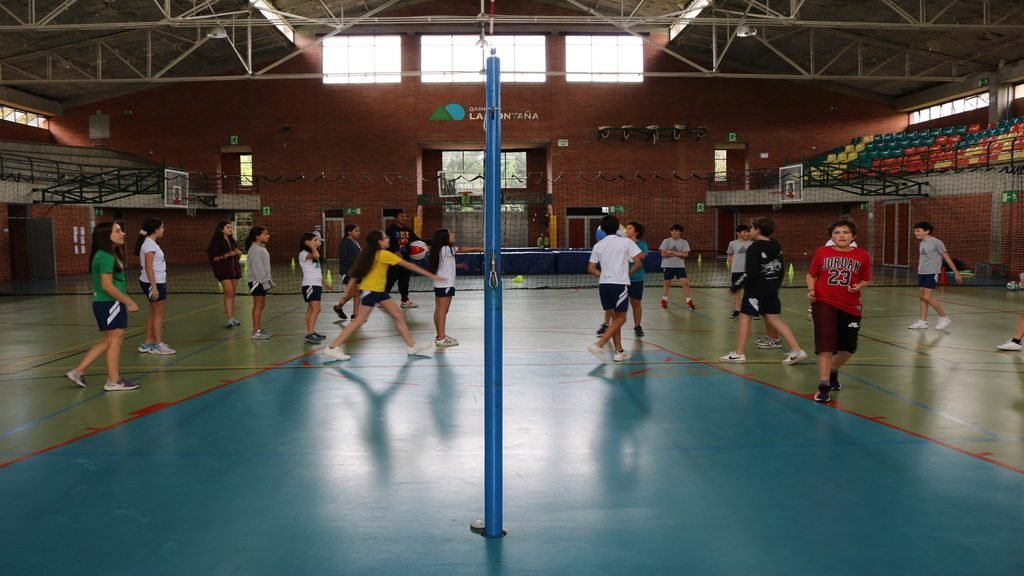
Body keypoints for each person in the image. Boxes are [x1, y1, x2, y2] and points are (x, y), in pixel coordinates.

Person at [323, 230, 442, 361]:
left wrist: (346, 291)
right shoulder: (383, 254)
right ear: (379, 241)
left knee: (398, 315)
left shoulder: (370, 254)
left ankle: (411, 346)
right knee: (359, 320)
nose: (388, 239)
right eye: (385, 237)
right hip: (371, 291)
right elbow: (408, 265)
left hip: (379, 292)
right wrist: (431, 275)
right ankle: (333, 347)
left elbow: (356, 272)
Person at [719, 217, 808, 366]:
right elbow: (781, 268)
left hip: (756, 290)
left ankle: (739, 354)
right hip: (772, 288)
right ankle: (796, 350)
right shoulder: (775, 244)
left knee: (745, 317)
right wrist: (776, 285)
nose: (750, 231)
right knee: (774, 318)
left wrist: (735, 286)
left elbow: (751, 272)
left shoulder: (754, 247)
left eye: (751, 228)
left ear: (757, 230)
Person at [65, 222, 140, 391]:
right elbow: (107, 286)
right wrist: (128, 302)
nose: (123, 233)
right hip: (109, 303)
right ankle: (113, 381)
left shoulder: (110, 254)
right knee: (114, 340)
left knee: (109, 340)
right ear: (106, 236)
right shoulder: (105, 256)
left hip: (109, 303)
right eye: (118, 231)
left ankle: (78, 371)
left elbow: (115, 283)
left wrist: (125, 298)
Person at [806, 218, 872, 403]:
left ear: (853, 236)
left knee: (849, 348)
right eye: (836, 232)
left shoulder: (862, 255)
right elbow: (811, 274)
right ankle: (824, 385)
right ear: (831, 237)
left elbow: (866, 279)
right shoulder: (822, 252)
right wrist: (811, 290)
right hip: (824, 302)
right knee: (825, 345)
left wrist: (859, 286)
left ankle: (833, 370)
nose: (841, 235)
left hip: (850, 305)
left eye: (845, 232)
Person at [587, 215, 643, 363]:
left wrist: (604, 275)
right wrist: (627, 275)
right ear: (618, 227)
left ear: (602, 229)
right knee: (621, 318)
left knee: (614, 319)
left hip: (604, 285)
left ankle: (619, 352)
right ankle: (599, 344)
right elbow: (638, 262)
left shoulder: (598, 245)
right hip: (618, 285)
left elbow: (591, 268)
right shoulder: (626, 242)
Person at [427, 227, 483, 347]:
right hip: (446, 284)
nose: (453, 234)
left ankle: (439, 335)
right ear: (445, 238)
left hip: (440, 285)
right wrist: (482, 249)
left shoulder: (440, 249)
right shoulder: (447, 249)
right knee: (443, 311)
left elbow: (445, 265)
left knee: (438, 310)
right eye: (450, 234)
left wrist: (459, 265)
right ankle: (442, 338)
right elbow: (462, 249)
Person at [908, 221, 963, 330]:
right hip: (922, 272)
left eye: (918, 231)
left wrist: (956, 273)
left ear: (927, 231)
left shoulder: (937, 242)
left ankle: (944, 317)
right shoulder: (922, 243)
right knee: (922, 297)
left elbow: (946, 258)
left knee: (927, 296)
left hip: (932, 272)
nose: (915, 233)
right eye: (915, 231)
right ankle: (922, 321)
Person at [598, 221, 648, 338]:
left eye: (630, 228)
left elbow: (642, 256)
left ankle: (637, 326)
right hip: (619, 279)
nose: (626, 230)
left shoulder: (641, 244)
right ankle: (606, 324)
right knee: (612, 304)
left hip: (636, 278)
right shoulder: (620, 242)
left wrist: (630, 245)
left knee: (636, 302)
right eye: (626, 228)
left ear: (636, 232)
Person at [135, 218, 174, 355]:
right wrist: (154, 287)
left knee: (153, 313)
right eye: (162, 227)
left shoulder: (149, 243)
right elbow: (149, 267)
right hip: (154, 282)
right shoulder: (149, 245)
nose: (163, 229)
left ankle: (147, 342)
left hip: (154, 281)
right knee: (158, 314)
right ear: (155, 229)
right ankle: (158, 344)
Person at [207, 221, 243, 328]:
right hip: (223, 271)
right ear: (221, 229)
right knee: (229, 293)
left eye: (231, 227)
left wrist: (239, 254)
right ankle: (229, 319)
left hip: (234, 271)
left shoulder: (232, 241)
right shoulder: (216, 242)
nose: (230, 229)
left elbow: (237, 258)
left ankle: (232, 317)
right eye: (228, 227)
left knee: (232, 294)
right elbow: (213, 258)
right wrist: (226, 255)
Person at [384, 210, 422, 309]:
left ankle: (405, 301)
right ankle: (382, 300)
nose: (404, 218)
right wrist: (396, 250)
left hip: (405, 260)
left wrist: (425, 245)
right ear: (396, 218)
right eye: (401, 216)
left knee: (404, 281)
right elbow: (388, 243)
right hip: (393, 260)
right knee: (390, 280)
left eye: (405, 216)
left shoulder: (408, 230)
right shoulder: (390, 230)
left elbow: (418, 241)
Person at [245, 226, 274, 340]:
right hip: (257, 282)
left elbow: (265, 268)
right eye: (265, 234)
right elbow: (258, 269)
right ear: (257, 236)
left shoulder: (260, 248)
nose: (268, 236)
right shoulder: (255, 249)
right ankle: (256, 332)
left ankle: (258, 329)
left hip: (261, 281)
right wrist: (264, 283)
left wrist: (269, 281)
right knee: (258, 305)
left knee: (261, 305)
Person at [298, 232, 328, 344]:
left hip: (316, 284)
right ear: (307, 242)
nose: (317, 242)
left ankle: (311, 331)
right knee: (316, 308)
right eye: (315, 240)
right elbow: (316, 255)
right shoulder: (303, 253)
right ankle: (309, 333)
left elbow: (316, 270)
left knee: (311, 309)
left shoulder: (312, 254)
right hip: (310, 284)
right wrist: (311, 246)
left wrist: (324, 282)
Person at [659, 223, 696, 309]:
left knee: (685, 283)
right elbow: (663, 254)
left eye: (676, 231)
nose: (674, 232)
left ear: (680, 232)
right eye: (672, 231)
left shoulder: (684, 242)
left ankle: (689, 301)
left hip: (680, 266)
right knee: (667, 283)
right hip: (668, 266)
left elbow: (685, 254)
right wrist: (679, 254)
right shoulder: (666, 241)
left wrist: (672, 252)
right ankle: (664, 300)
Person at [333, 223, 362, 321]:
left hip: (357, 271)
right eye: (356, 231)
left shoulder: (355, 242)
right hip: (348, 272)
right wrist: (358, 262)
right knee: (352, 292)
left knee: (358, 293)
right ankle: (338, 307)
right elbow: (344, 259)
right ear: (349, 232)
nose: (359, 233)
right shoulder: (345, 243)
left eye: (359, 231)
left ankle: (355, 314)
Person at [726, 224, 752, 319]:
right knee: (737, 291)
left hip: (749, 271)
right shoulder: (732, 244)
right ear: (738, 233)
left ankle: (753, 310)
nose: (747, 234)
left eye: (748, 232)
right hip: (736, 271)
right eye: (744, 232)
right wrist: (732, 265)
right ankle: (737, 310)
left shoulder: (752, 244)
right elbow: (729, 255)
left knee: (750, 291)